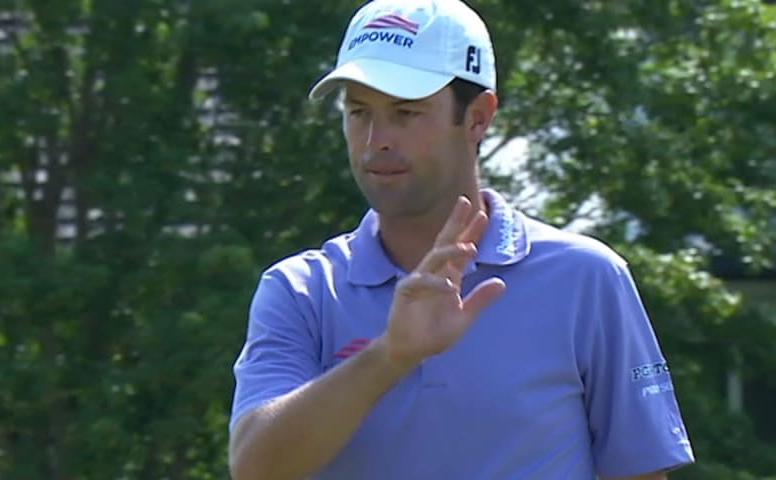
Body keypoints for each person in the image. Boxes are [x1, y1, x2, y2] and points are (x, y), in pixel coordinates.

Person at [227, 0, 696, 478]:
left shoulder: (586, 277)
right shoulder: (301, 290)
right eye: (358, 111)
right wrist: (391, 355)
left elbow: (640, 472)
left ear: (477, 117)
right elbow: (255, 468)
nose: (375, 141)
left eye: (406, 113)